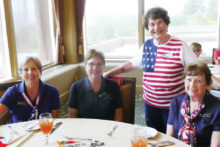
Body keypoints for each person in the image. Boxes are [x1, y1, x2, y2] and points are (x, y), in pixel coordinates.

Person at [104, 7, 198, 133]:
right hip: (150, 104)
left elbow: (196, 71)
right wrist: (109, 73)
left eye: (160, 22)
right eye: (152, 24)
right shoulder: (147, 46)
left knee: (173, 136)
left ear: (167, 24)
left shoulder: (180, 46)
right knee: (154, 134)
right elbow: (131, 65)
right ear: (148, 28)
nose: (156, 27)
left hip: (174, 106)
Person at [167, 62, 220, 147]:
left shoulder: (217, 107)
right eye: (189, 80)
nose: (192, 85)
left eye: (198, 81)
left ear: (207, 84)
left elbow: (215, 145)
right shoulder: (176, 102)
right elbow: (170, 138)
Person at [0, 56, 60, 124]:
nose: (30, 73)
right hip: (17, 132)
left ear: (40, 72)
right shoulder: (12, 92)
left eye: (34, 69)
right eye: (26, 70)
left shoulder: (52, 92)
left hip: (42, 130)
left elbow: (55, 120)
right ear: (20, 74)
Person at [68, 49, 123, 121]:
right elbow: (72, 117)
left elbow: (118, 113)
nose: (95, 68)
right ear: (85, 67)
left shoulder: (113, 86)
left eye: (99, 64)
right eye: (91, 64)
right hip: (84, 128)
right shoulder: (76, 87)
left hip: (107, 128)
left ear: (104, 66)